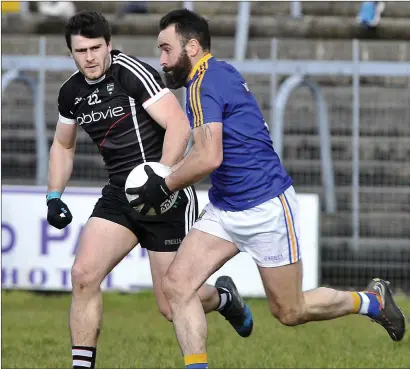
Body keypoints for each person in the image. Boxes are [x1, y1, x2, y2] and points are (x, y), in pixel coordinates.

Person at [131, 8, 407, 369]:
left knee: (291, 311)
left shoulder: (205, 84)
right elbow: (206, 152)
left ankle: (372, 301)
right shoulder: (216, 74)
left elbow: (209, 157)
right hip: (226, 208)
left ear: (193, 47)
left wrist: (163, 185)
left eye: (166, 49)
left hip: (265, 207)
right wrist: (167, 179)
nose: (162, 60)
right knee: (177, 287)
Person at [46, 11, 253, 369]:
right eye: (81, 51)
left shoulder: (131, 73)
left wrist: (162, 178)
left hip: (166, 195)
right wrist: (53, 195)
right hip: (120, 194)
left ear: (109, 45)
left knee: (170, 302)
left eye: (97, 48)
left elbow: (179, 125)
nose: (90, 57)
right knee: (83, 275)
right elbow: (63, 146)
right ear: (71, 52)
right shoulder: (72, 93)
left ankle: (223, 298)